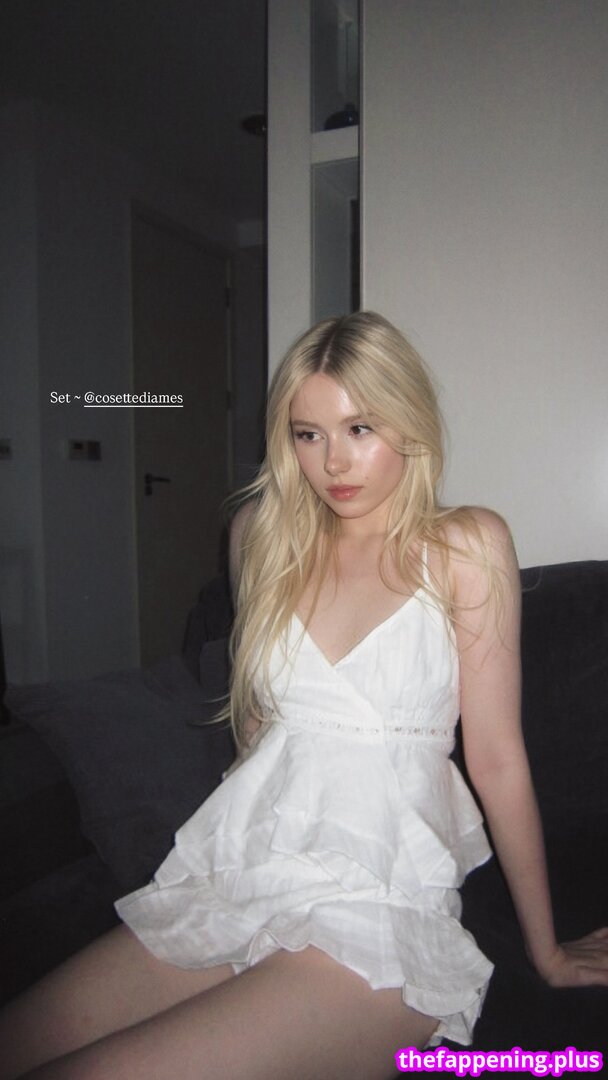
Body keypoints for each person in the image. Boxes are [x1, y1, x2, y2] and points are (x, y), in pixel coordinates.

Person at [1, 312, 607, 1080]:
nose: (333, 462)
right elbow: (258, 735)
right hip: (249, 874)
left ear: (410, 421)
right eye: (307, 434)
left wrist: (546, 952)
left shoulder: (466, 544)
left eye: (360, 428)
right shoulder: (260, 535)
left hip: (377, 911)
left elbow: (498, 761)